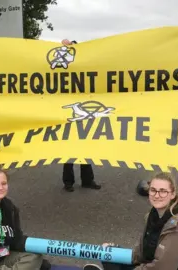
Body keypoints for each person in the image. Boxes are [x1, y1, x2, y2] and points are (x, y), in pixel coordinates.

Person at [84, 172, 178, 270]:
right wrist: (115, 252)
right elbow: (143, 252)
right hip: (151, 263)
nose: (157, 195)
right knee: (109, 256)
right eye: (153, 190)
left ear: (172, 194)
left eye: (163, 191)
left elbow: (161, 268)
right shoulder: (154, 215)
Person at [59, 38, 102, 193]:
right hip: (68, 114)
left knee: (85, 148)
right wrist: (63, 47)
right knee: (69, 149)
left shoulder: (86, 69)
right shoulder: (64, 70)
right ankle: (68, 182)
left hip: (84, 114)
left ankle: (87, 180)